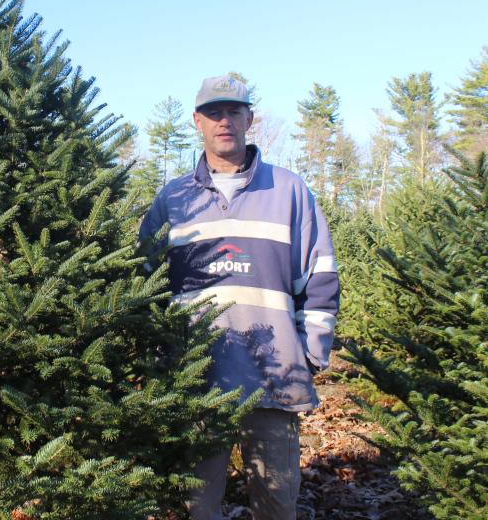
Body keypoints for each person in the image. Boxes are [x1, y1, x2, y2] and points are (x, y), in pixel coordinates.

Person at [139, 74, 339, 520]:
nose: (223, 121)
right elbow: (146, 282)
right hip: (196, 378)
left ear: (250, 118)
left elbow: (321, 276)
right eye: (213, 112)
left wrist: (308, 356)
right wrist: (161, 358)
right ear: (197, 121)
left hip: (274, 379)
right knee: (198, 506)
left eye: (233, 111)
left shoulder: (289, 191)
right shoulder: (173, 198)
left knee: (276, 504)